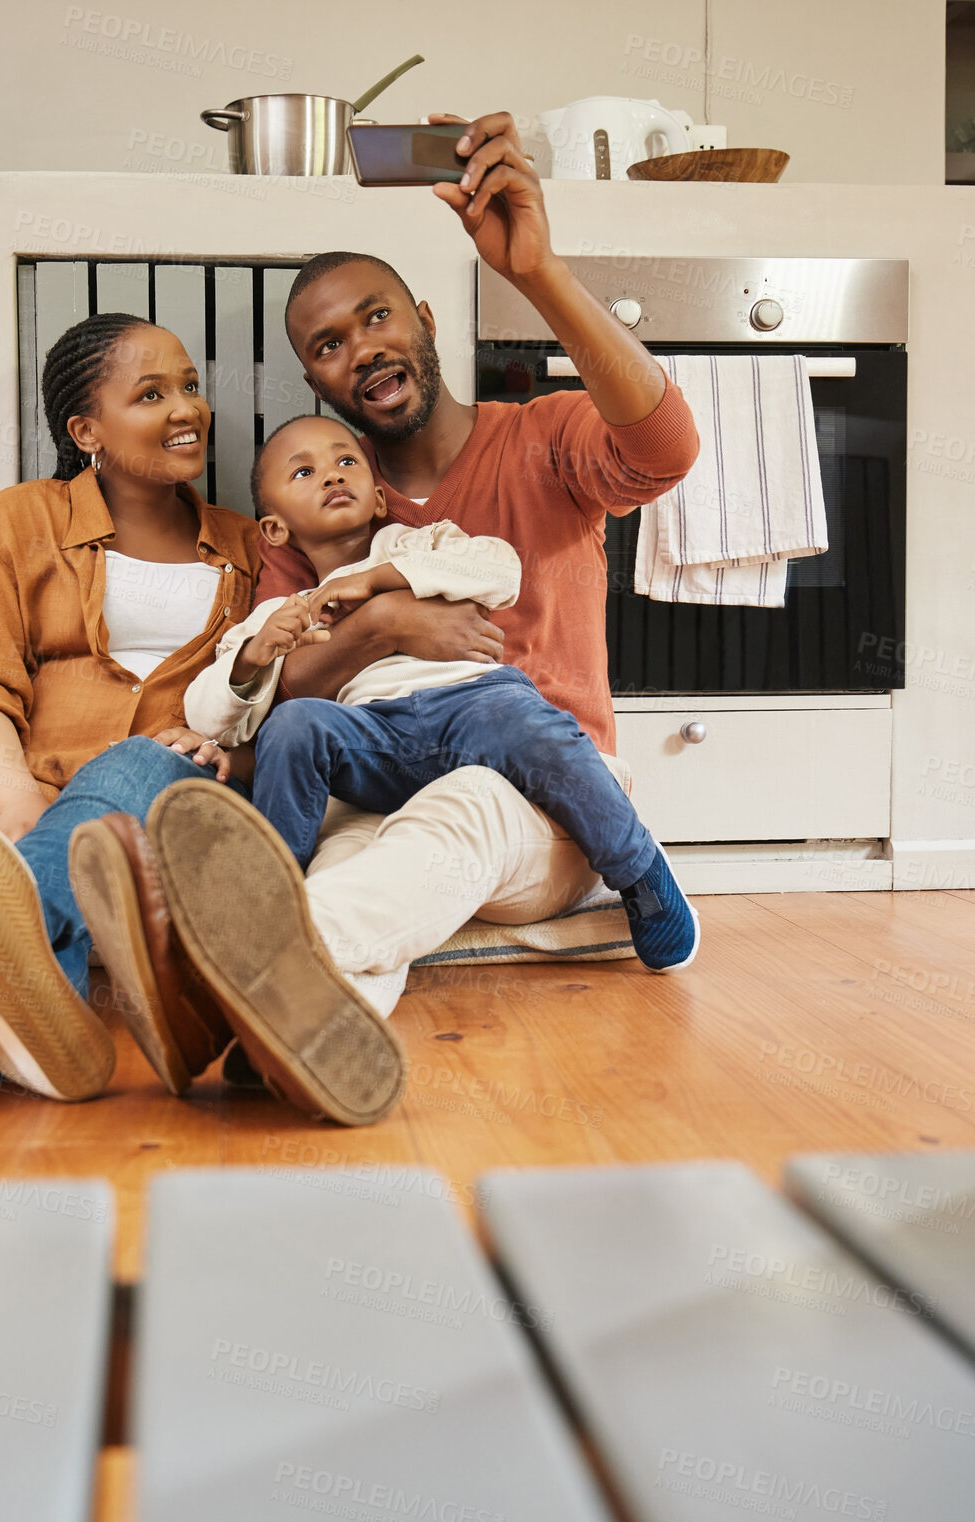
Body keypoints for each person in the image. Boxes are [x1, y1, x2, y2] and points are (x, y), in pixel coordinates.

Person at [74, 110, 702, 1126]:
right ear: (314, 379)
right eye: (327, 345)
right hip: (376, 791)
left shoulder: (538, 440)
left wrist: (534, 272)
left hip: (542, 794)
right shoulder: (317, 532)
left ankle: (198, 962)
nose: (358, 349)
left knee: (464, 811)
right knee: (357, 859)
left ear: (420, 315)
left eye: (373, 318)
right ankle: (292, 1044)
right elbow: (283, 699)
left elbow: (666, 448)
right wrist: (379, 628)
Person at [0, 311, 270, 1102]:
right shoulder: (19, 520)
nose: (187, 409)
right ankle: (42, 1033)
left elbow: (275, 698)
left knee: (142, 759)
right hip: (15, 778)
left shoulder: (249, 547)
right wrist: (18, 804)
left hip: (158, 790)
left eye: (190, 387)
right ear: (86, 429)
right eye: (150, 393)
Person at [180, 412, 698, 974]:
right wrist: (256, 654)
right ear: (275, 530)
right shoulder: (277, 615)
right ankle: (278, 891)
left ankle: (638, 871)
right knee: (296, 724)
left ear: (380, 500)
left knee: (531, 726)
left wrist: (381, 581)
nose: (331, 476)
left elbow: (500, 570)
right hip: (374, 737)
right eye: (304, 473)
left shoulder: (422, 542)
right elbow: (208, 718)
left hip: (473, 705)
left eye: (345, 461)